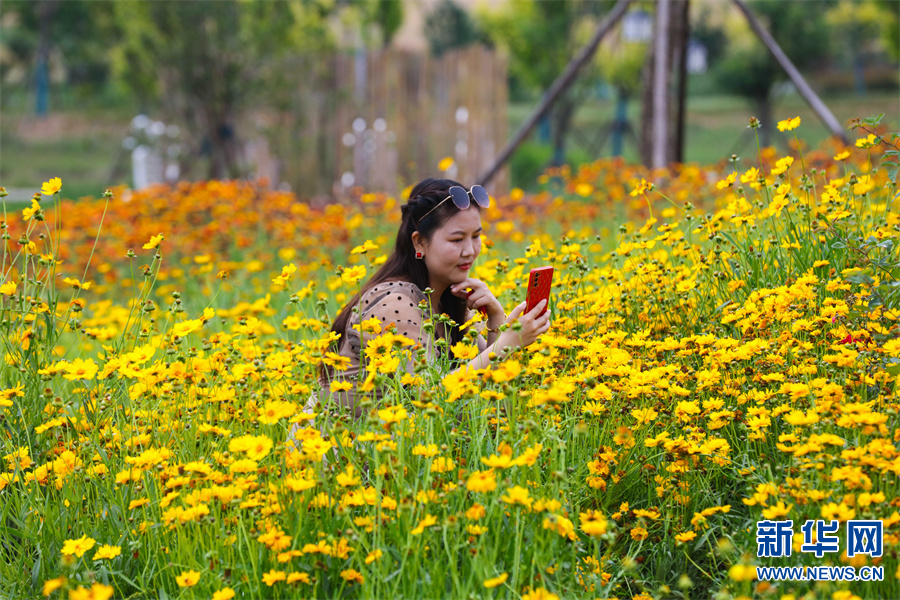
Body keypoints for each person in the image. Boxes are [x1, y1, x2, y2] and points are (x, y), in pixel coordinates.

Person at [291, 178, 551, 444]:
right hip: (331, 457)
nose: (470, 251)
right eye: (457, 239)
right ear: (420, 243)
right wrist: (508, 342)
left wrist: (497, 321)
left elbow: (493, 393)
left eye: (476, 236)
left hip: (392, 458)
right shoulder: (393, 302)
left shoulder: (451, 300)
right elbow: (428, 399)